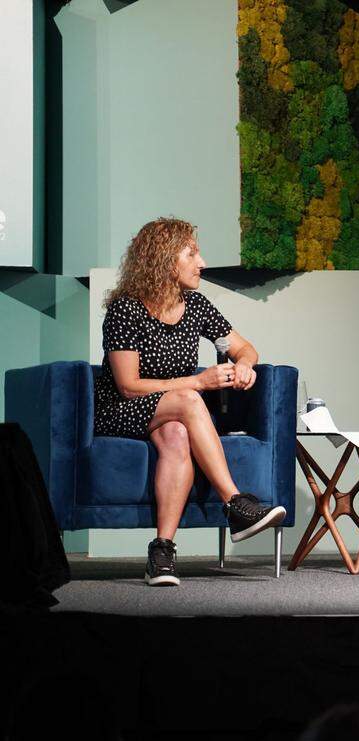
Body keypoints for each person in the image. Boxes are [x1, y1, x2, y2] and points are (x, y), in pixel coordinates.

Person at [97, 217, 285, 587]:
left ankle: (162, 552)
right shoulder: (126, 310)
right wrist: (198, 381)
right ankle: (234, 503)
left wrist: (244, 365)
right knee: (187, 398)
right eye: (192, 253)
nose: (202, 262)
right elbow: (129, 386)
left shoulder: (196, 306)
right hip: (119, 411)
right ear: (166, 261)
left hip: (173, 412)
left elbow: (245, 348)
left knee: (178, 436)